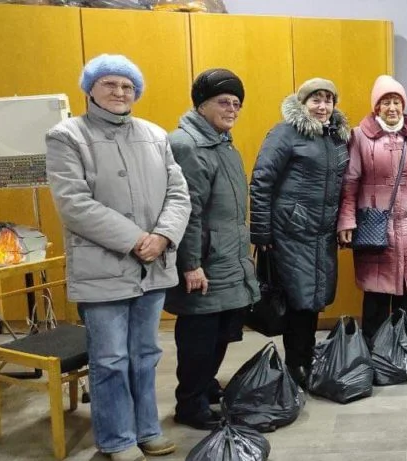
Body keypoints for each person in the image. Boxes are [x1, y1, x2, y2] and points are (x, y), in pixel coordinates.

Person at [46, 54, 190, 461]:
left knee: (145, 355)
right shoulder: (66, 136)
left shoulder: (155, 135)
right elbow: (73, 204)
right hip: (102, 266)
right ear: (90, 88)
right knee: (109, 359)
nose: (119, 92)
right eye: (109, 84)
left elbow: (179, 195)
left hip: (153, 265)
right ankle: (116, 439)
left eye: (127, 86)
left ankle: (146, 429)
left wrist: (162, 236)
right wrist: (135, 239)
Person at [166, 69, 259, 429]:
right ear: (201, 105)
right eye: (224, 102)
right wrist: (190, 264)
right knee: (198, 338)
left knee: (220, 332)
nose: (232, 109)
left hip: (226, 256)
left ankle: (203, 388)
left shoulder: (223, 142)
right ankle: (189, 404)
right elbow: (186, 210)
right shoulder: (187, 144)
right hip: (203, 260)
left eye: (237, 103)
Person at [250, 78, 350, 385]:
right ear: (302, 103)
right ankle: (296, 364)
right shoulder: (284, 133)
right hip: (290, 231)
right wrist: (262, 233)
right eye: (315, 100)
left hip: (321, 233)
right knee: (298, 300)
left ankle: (304, 357)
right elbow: (261, 182)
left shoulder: (335, 138)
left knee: (314, 299)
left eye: (328, 100)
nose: (322, 107)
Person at [337, 75, 407, 340]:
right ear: (376, 107)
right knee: (376, 294)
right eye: (386, 102)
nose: (392, 108)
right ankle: (373, 349)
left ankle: (403, 351)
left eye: (396, 102)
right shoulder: (360, 136)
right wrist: (346, 220)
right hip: (375, 227)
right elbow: (350, 181)